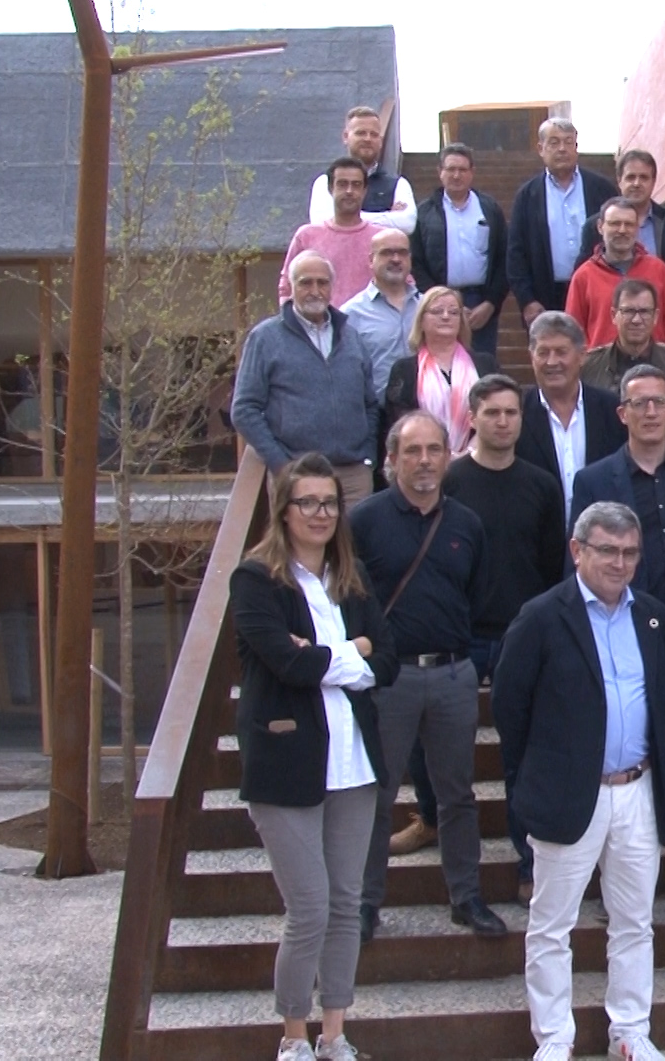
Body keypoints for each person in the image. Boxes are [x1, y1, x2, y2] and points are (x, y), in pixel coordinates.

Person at [493, 501, 665, 1061]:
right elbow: (509, 707)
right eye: (607, 551)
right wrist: (541, 774)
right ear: (578, 550)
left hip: (638, 790)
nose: (620, 563)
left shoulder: (653, 617)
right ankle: (554, 1038)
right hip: (570, 792)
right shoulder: (541, 617)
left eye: (630, 553)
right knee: (552, 925)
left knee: (635, 921)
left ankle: (630, 1031)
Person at [230, 453, 400, 1061]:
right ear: (284, 510)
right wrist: (352, 651)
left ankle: (335, 1034)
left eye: (330, 502)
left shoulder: (351, 578)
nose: (320, 513)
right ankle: (293, 1038)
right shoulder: (256, 580)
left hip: (354, 764)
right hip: (287, 764)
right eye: (308, 502)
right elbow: (287, 663)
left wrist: (327, 653)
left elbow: (388, 661)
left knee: (346, 905)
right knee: (309, 908)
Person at [572, 365, 665, 918]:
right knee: (612, 752)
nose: (652, 412)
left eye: (660, 402)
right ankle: (605, 875)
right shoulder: (594, 480)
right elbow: (580, 563)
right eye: (640, 403)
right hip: (616, 630)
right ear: (623, 413)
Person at [349, 412, 506, 941]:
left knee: (457, 795)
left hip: (452, 675)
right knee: (377, 795)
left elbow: (478, 595)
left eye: (434, 450)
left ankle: (466, 896)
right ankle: (365, 903)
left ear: (447, 456)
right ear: (392, 458)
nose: (424, 461)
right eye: (412, 451)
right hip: (388, 679)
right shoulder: (364, 521)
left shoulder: (466, 524)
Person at [442, 374, 566, 902]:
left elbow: (552, 564)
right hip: (463, 633)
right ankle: (448, 847)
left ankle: (528, 861)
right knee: (448, 755)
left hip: (523, 634)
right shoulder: (451, 481)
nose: (503, 422)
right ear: (472, 418)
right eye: (492, 412)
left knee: (522, 754)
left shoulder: (541, 484)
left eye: (511, 413)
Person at [233, 251, 380, 510]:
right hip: (297, 474)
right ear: (291, 287)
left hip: (353, 476)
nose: (315, 291)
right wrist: (280, 464)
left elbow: (370, 404)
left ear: (331, 287)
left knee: (354, 538)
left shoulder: (351, 337)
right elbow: (244, 410)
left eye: (322, 283)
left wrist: (367, 457)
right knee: (301, 539)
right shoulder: (265, 338)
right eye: (305, 283)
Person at [515, 313, 627, 520]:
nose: (551, 362)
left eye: (561, 352)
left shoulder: (611, 409)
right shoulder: (517, 413)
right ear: (531, 357)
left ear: (582, 355)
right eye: (543, 353)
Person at [508, 118, 621, 324]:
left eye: (568, 142)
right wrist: (527, 300)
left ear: (576, 147)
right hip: (545, 296)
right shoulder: (527, 196)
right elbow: (516, 252)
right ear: (541, 149)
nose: (562, 149)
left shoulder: (602, 189)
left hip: (595, 289)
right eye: (554, 142)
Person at [410, 143, 508, 356]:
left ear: (472, 172)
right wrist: (438, 299)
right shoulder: (424, 213)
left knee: (481, 364)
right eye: (451, 169)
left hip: (479, 303)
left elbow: (504, 258)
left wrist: (491, 303)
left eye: (462, 169)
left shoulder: (489, 209)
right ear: (440, 171)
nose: (456, 175)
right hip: (438, 303)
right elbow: (416, 262)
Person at [381, 287, 499, 458]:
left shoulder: (485, 364)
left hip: (477, 458)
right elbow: (400, 423)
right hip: (424, 459)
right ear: (421, 321)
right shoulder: (405, 369)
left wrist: (468, 453)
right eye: (437, 311)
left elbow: (496, 412)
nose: (445, 317)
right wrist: (438, 454)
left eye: (453, 312)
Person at [579, 148, 665, 307]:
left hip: (664, 314)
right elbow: (582, 277)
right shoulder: (595, 225)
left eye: (643, 177)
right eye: (631, 177)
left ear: (653, 181)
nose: (637, 184)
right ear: (619, 180)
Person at [564, 199, 665, 347]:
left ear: (637, 228)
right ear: (600, 227)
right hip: (602, 361)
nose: (622, 230)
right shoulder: (583, 276)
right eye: (615, 223)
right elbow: (573, 334)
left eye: (629, 224)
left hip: (654, 361)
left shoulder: (658, 270)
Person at [582, 279, 665, 429]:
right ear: (613, 315)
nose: (636, 320)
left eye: (644, 312)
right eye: (628, 311)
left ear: (655, 316)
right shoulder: (588, 367)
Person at [341, 229, 421, 445]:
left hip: (426, 414)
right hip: (377, 419)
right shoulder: (351, 315)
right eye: (387, 253)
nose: (396, 259)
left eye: (402, 253)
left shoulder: (428, 307)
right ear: (371, 260)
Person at [281, 158, 379, 307]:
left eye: (356, 185)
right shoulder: (307, 236)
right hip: (319, 319)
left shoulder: (380, 239)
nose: (349, 191)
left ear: (365, 191)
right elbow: (286, 285)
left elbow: (404, 284)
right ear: (330, 188)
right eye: (342, 184)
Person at [308, 105, 416, 233]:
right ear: (345, 137)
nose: (367, 139)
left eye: (374, 134)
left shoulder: (398, 184)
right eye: (361, 133)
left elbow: (407, 223)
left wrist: (345, 216)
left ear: (380, 141)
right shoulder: (325, 181)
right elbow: (321, 221)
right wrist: (388, 216)